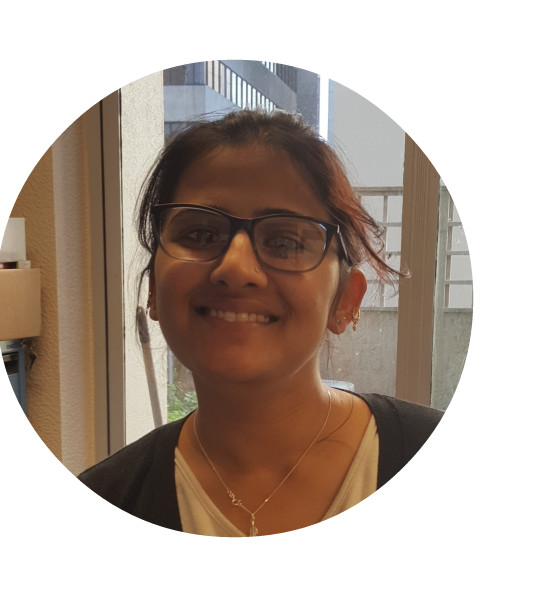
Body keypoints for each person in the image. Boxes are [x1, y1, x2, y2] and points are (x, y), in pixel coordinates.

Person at [78, 108, 443, 537]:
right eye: (199, 235)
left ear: (346, 299)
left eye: (285, 241)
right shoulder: (105, 500)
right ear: (154, 288)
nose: (235, 268)